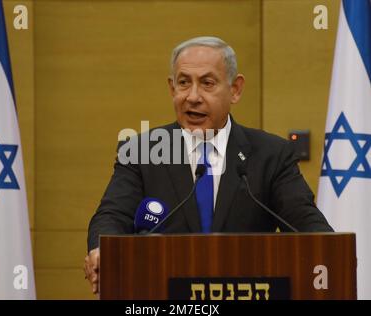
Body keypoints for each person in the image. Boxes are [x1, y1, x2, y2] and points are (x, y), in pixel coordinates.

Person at [83, 36, 333, 294]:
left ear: (235, 89)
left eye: (207, 83)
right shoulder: (141, 152)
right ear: (172, 89)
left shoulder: (271, 154)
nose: (193, 97)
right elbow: (112, 215)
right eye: (183, 83)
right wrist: (101, 250)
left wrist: (330, 252)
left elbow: (306, 223)